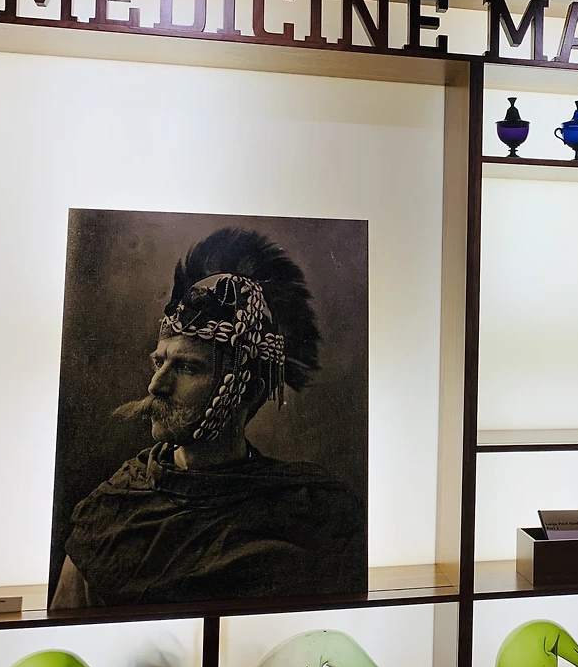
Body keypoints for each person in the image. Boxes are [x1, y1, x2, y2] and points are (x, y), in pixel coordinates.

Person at [50, 227, 365, 608]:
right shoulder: (109, 513)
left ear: (248, 391)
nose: (156, 385)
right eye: (159, 362)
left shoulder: (313, 513)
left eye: (187, 368)